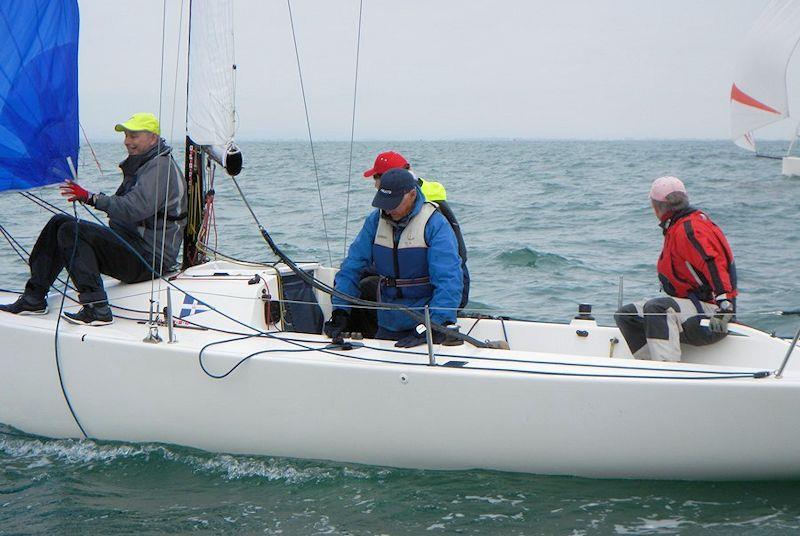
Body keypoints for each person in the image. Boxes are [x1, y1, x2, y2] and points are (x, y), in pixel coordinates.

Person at [0, 112, 187, 326]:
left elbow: (133, 209)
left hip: (150, 259)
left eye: (134, 136)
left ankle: (97, 308)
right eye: (126, 135)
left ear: (153, 138)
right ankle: (34, 298)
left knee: (71, 231)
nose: (127, 142)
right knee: (59, 222)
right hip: (134, 248)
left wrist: (91, 198)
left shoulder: (160, 167)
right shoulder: (146, 165)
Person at [324, 167, 463, 347]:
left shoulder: (435, 225)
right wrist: (340, 311)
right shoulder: (375, 222)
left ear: (412, 195)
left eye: (394, 202)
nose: (388, 210)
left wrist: (432, 325)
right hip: (387, 324)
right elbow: (352, 267)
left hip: (426, 325)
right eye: (384, 202)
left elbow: (449, 280)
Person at [614, 176, 737, 362]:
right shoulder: (679, 226)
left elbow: (714, 264)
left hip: (713, 316)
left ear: (656, 207)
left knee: (657, 308)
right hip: (696, 309)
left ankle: (667, 370)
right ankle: (648, 367)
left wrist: (725, 309)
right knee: (627, 315)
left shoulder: (690, 229)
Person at [362, 150, 469, 308]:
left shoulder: (432, 216)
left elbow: (451, 270)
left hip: (440, 295)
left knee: (365, 285)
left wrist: (441, 318)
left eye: (376, 178)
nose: (375, 186)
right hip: (405, 300)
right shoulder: (380, 216)